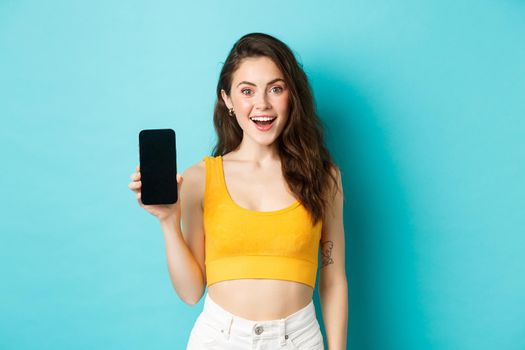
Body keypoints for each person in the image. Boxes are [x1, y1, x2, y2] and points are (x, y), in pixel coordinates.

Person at [128, 32, 348, 350]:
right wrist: (167, 220)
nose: (262, 104)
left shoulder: (324, 178)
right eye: (247, 91)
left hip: (299, 339)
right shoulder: (199, 179)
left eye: (276, 88)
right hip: (219, 338)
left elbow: (333, 278)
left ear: (292, 96)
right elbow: (191, 292)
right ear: (228, 100)